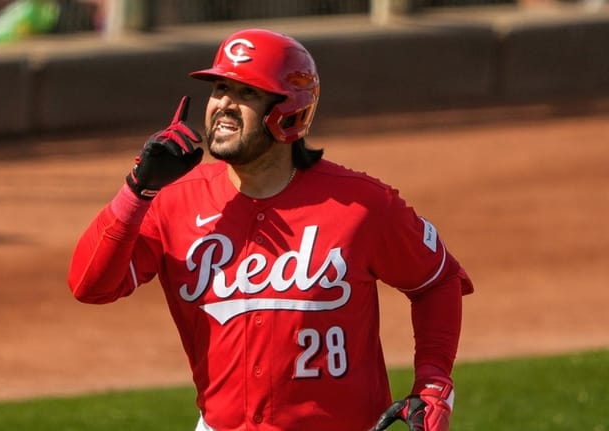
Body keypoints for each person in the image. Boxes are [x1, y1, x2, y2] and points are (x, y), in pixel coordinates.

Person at [67, 28, 474, 431]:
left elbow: (438, 281)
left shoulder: (362, 205)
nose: (224, 104)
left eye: (246, 93)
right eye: (220, 89)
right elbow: (91, 286)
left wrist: (434, 384)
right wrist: (137, 190)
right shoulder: (173, 201)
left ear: (288, 111)